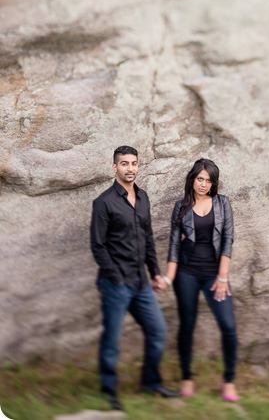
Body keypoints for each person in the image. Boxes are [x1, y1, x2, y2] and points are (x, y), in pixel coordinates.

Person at [90, 145, 177, 410]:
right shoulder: (103, 202)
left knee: (158, 332)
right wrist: (116, 278)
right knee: (112, 340)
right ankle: (108, 391)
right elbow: (98, 246)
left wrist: (154, 273)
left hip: (140, 282)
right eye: (124, 164)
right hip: (116, 284)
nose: (130, 168)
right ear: (114, 167)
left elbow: (147, 239)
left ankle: (151, 383)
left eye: (134, 163)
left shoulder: (144, 198)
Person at [160, 157, 238, 402]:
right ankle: (186, 377)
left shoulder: (223, 204)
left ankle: (229, 381)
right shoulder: (180, 206)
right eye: (200, 179)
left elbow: (227, 240)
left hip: (215, 275)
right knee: (187, 326)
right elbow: (174, 245)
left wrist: (223, 278)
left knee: (229, 327)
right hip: (187, 274)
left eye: (208, 180)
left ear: (214, 183)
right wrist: (169, 278)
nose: (203, 184)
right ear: (193, 179)